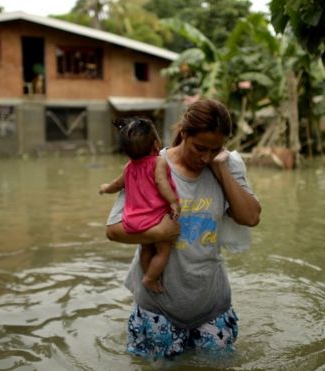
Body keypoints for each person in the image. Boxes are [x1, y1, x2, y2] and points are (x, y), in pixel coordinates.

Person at [105, 99, 261, 359]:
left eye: (214, 149)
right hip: (158, 305)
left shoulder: (226, 164)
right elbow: (113, 229)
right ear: (184, 133)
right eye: (200, 148)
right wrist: (159, 233)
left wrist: (221, 169)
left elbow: (251, 217)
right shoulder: (152, 164)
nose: (205, 157)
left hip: (211, 303)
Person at [99, 117, 181, 293]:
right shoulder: (158, 162)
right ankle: (150, 278)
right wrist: (173, 201)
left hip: (133, 220)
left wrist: (105, 188)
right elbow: (161, 182)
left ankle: (147, 274)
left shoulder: (129, 167)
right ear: (156, 145)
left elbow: (116, 185)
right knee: (163, 250)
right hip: (154, 218)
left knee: (146, 248)